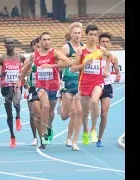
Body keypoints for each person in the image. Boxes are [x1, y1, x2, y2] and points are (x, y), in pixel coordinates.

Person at [18, 32, 72, 149]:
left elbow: (68, 62)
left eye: (49, 39)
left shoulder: (55, 52)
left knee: (51, 112)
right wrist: (21, 78)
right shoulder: (34, 55)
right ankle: (43, 136)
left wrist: (52, 66)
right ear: (40, 42)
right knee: (45, 106)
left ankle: (49, 126)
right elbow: (26, 66)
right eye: (44, 40)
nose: (47, 42)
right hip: (40, 86)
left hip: (53, 86)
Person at [70, 24, 113, 145]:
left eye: (95, 35)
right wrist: (84, 64)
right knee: (85, 113)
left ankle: (93, 129)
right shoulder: (81, 51)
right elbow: (73, 69)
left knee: (95, 101)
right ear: (86, 35)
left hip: (98, 82)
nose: (93, 37)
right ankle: (85, 130)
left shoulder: (100, 50)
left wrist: (105, 69)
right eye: (91, 35)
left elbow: (110, 57)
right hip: (84, 84)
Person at [59, 22, 85, 151]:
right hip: (68, 82)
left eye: (79, 33)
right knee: (66, 115)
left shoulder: (84, 48)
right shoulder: (66, 48)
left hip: (79, 83)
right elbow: (59, 64)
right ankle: (61, 108)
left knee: (78, 111)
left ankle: (73, 140)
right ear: (71, 34)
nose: (77, 35)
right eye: (75, 33)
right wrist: (70, 63)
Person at [0, 37, 26, 148]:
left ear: (14, 44)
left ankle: (18, 117)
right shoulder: (1, 59)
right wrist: (0, 75)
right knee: (9, 114)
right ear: (4, 45)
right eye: (8, 43)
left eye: (12, 43)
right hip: (5, 87)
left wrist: (23, 78)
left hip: (16, 85)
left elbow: (27, 68)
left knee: (16, 101)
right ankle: (12, 136)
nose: (10, 45)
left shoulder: (20, 57)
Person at [94, 32, 121, 147]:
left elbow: (117, 71)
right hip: (94, 86)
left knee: (104, 114)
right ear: (99, 43)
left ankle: (99, 138)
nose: (105, 43)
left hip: (107, 86)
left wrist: (118, 76)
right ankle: (92, 130)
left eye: (107, 42)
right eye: (102, 42)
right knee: (95, 112)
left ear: (110, 43)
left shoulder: (113, 57)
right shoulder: (94, 55)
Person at [23, 37, 40, 146]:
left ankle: (45, 133)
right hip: (32, 88)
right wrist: (25, 84)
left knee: (43, 113)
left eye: (40, 46)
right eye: (36, 46)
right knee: (32, 113)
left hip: (44, 87)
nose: (38, 48)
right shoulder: (28, 60)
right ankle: (35, 137)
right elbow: (22, 74)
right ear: (33, 47)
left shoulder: (47, 58)